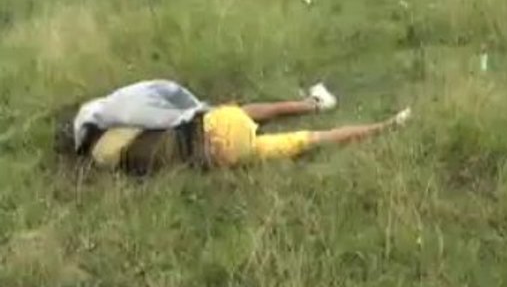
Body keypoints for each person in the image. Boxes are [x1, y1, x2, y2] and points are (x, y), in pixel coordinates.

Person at [56, 79, 412, 176]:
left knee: (305, 139)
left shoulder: (111, 151)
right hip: (215, 124)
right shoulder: (118, 127)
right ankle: (313, 105)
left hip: (221, 153)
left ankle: (375, 122)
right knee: (253, 113)